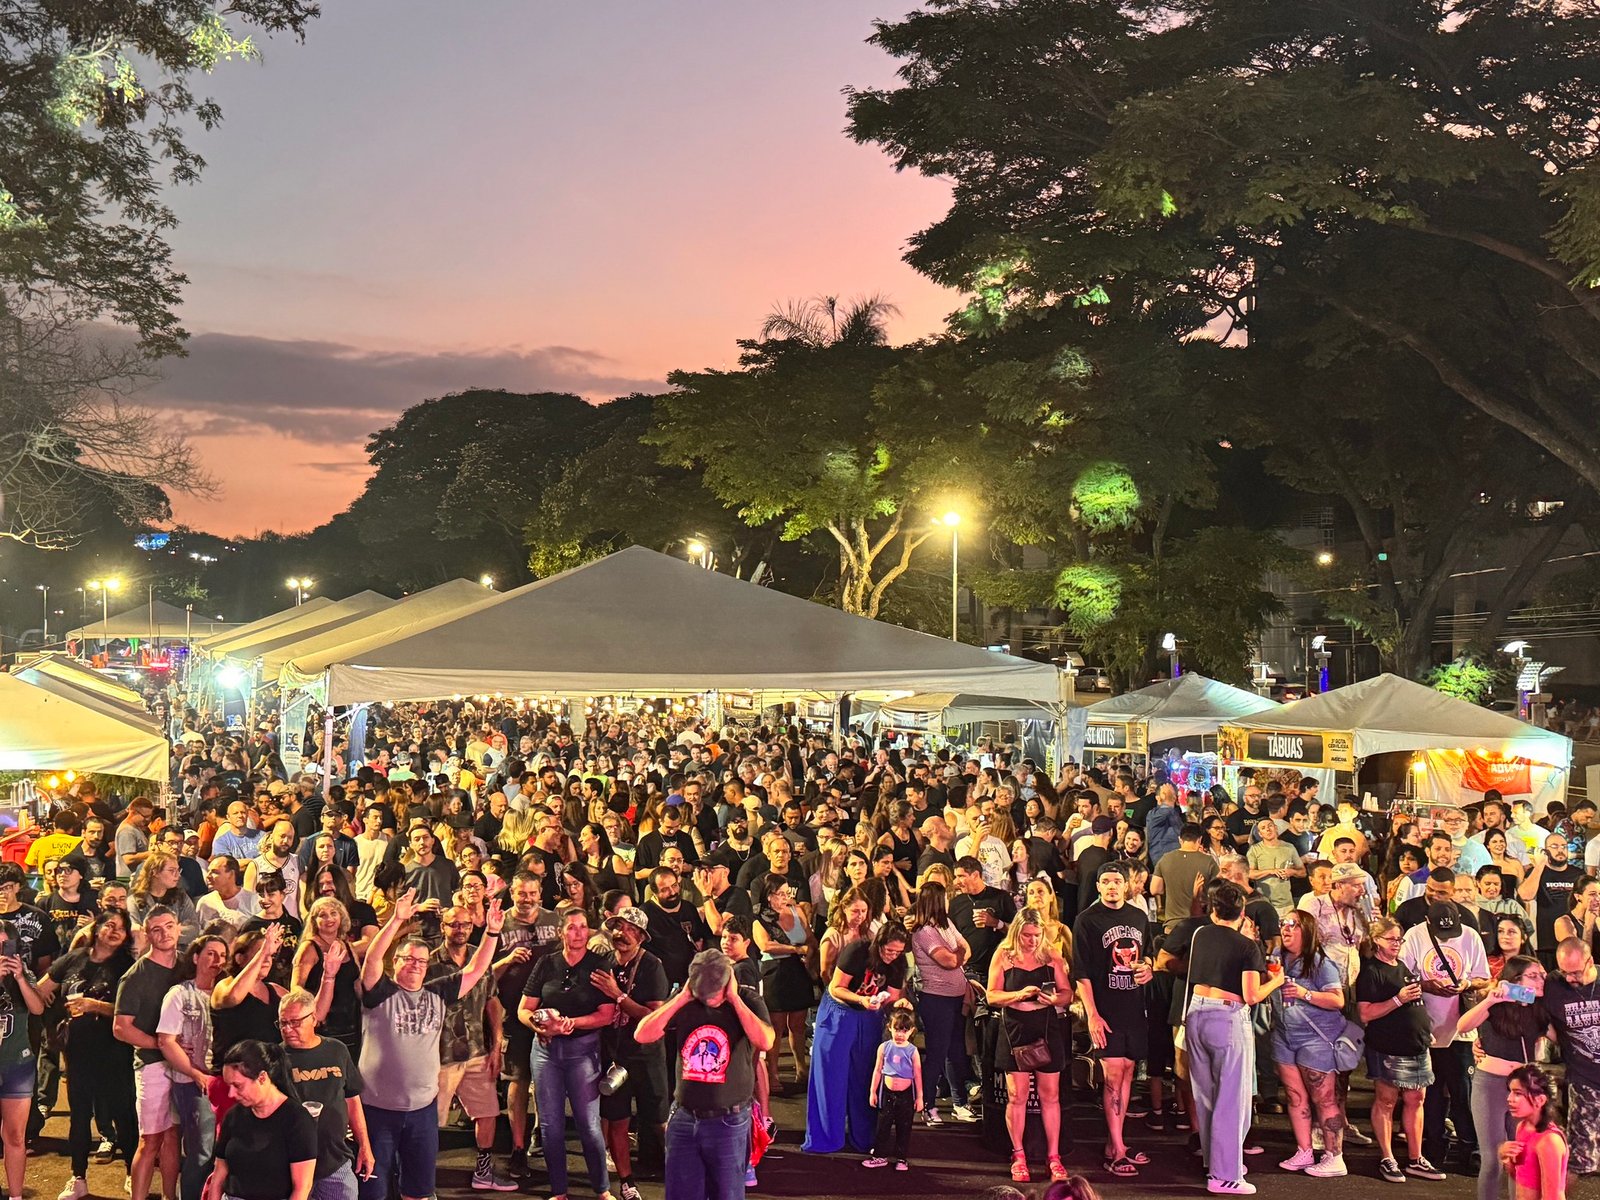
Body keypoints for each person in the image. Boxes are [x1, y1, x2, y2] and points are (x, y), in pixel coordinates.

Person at [357, 889, 502, 1200]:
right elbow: (371, 959)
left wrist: (491, 932)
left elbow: (476, 970)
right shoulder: (379, 992)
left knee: (419, 1191)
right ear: (394, 961)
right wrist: (397, 919)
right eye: (408, 959)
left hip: (422, 1111)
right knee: (373, 1192)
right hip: (378, 1111)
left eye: (421, 960)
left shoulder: (438, 992)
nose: (415, 965)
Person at [634, 948, 775, 1200]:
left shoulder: (747, 999)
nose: (710, 999)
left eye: (715, 993)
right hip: (684, 1117)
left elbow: (766, 1041)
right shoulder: (686, 999)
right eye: (704, 994)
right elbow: (642, 1034)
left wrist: (734, 999)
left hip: (728, 1122)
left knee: (726, 1195)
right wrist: (682, 997)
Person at [1183, 879, 1282, 1197]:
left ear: (1213, 909)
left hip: (1196, 1013)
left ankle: (1218, 1164)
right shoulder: (1246, 947)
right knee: (1232, 1100)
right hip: (1227, 1018)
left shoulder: (1201, 933)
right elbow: (1252, 996)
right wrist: (1277, 982)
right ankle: (1225, 1175)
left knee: (1207, 1096)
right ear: (1242, 912)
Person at [516, 906, 616, 1200]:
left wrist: (572, 1024)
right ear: (561, 932)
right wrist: (539, 1025)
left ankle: (602, 1189)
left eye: (583, 927)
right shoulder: (546, 962)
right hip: (546, 1051)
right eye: (572, 927)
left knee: (588, 1124)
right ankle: (559, 1191)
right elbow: (524, 1009)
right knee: (550, 1125)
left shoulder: (599, 965)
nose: (578, 933)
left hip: (583, 1051)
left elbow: (606, 1015)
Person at [44, 909, 137, 1200]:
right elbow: (42, 989)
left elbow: (130, 1012)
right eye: (109, 924)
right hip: (78, 1052)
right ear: (97, 928)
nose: (114, 931)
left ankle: (133, 1173)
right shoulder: (74, 958)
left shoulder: (127, 965)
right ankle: (78, 1177)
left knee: (123, 1116)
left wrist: (94, 1005)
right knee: (79, 1116)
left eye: (121, 929)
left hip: (114, 1052)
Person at [1071, 862, 1151, 1177]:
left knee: (1128, 1072)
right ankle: (1117, 1150)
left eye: (1117, 881)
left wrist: (1147, 968)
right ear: (1099, 887)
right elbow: (1082, 973)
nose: (1112, 886)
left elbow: (1148, 956)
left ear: (1126, 885)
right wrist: (1092, 1014)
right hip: (1105, 1010)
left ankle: (1115, 1142)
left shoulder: (1139, 916)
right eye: (1106, 881)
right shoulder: (1086, 921)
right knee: (1113, 1076)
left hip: (1134, 1008)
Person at [428, 904, 515, 1192]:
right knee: (429, 1121)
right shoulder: (429, 963)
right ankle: (423, 1180)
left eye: (465, 924)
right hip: (441, 1055)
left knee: (487, 1113)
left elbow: (492, 1000)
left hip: (477, 1049)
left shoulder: (482, 956)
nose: (460, 929)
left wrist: (496, 1045)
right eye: (454, 924)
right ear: (443, 927)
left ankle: (484, 1172)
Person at [802, 922, 909, 1156]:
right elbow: (836, 987)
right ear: (878, 943)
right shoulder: (858, 950)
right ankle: (827, 1137)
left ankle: (863, 1137)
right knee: (832, 1076)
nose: (892, 956)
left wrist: (897, 1003)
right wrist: (861, 1000)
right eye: (889, 950)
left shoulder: (898, 962)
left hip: (869, 1017)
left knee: (865, 1075)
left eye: (898, 952)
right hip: (839, 1011)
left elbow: (891, 997)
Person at [1401, 900, 1491, 1172]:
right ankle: (1435, 1145)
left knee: (1464, 1092)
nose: (1448, 938)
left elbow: (1483, 978)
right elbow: (1401, 976)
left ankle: (1471, 1147)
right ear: (1427, 922)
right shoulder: (1414, 936)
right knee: (1431, 1094)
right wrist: (1426, 984)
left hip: (1461, 1028)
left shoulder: (1470, 936)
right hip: (1425, 1027)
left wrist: (1466, 983)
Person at [1355, 915, 1443, 1184]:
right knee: (1387, 1101)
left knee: (1417, 1099)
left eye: (1399, 939)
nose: (1397, 943)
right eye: (1391, 939)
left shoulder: (1402, 965)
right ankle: (1387, 1157)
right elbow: (1366, 1013)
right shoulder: (1372, 972)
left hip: (1417, 1045)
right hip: (1388, 1048)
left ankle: (1415, 1158)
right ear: (1376, 941)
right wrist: (1398, 998)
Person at [591, 906, 669, 1200]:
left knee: (659, 1120)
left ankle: (682, 1171)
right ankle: (627, 1183)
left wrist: (618, 996)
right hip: (614, 1055)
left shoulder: (651, 966)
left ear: (641, 937)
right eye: (618, 927)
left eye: (630, 930)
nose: (622, 934)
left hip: (646, 1055)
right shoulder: (604, 961)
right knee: (617, 1120)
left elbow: (654, 1018)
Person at [989, 908, 1072, 1183]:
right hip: (1014, 1030)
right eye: (1027, 935)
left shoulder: (1052, 955)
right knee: (1017, 1096)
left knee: (1051, 1096)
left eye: (1037, 935)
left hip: (1046, 1028)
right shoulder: (1003, 954)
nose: (1032, 940)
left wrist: (1054, 1000)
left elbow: (1067, 993)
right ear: (1017, 932)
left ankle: (1053, 1156)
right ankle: (1019, 1153)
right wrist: (1017, 995)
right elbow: (991, 995)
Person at [1459, 956, 1550, 1200]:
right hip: (1490, 1084)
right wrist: (1489, 1000)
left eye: (1542, 975)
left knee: (1520, 1157)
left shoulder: (1539, 1009)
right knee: (1492, 1159)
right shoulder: (1496, 1005)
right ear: (1515, 979)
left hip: (1523, 1089)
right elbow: (1463, 1026)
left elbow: (1560, 1035)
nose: (1541, 980)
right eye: (1533, 976)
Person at [1271, 911, 1353, 1178]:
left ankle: (1334, 1156)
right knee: (1295, 1097)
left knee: (1324, 1098)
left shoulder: (1318, 962)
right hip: (1284, 1036)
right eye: (1283, 924)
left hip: (1316, 1038)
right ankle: (1304, 1150)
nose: (1286, 929)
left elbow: (1337, 1000)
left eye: (1292, 924)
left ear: (1306, 930)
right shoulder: (1276, 959)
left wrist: (1304, 993)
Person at [279, 986, 375, 1200]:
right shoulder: (276, 1059)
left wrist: (365, 1147)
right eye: (283, 1023)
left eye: (295, 1022)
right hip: (293, 1166)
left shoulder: (337, 1050)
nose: (288, 1029)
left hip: (335, 1160)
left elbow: (352, 1100)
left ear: (313, 1018)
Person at [115, 905, 183, 1200]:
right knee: (150, 1140)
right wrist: (162, 1045)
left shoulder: (188, 965)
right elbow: (121, 1028)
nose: (164, 933)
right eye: (157, 929)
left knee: (174, 1138)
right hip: (152, 1064)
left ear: (179, 927)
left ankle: (170, 1197)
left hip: (185, 1065)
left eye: (169, 926)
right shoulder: (135, 975)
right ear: (147, 934)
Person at [157, 933, 229, 1200]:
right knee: (201, 1152)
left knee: (220, 1152)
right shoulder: (180, 994)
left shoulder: (229, 992)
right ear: (196, 957)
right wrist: (195, 1073)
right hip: (194, 1084)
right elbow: (165, 1041)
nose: (217, 961)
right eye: (211, 953)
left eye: (222, 955)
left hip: (226, 1083)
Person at [202, 1039, 317, 1200]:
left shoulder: (297, 1120)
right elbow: (219, 1175)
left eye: (238, 1086)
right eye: (229, 1086)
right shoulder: (234, 1116)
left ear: (262, 1078)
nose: (231, 1094)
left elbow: (302, 1188)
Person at [906, 880, 975, 1124]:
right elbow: (948, 960)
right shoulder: (924, 932)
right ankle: (927, 1105)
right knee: (936, 1052)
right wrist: (958, 956)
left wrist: (958, 956)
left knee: (956, 1050)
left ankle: (960, 1102)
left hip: (956, 997)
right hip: (936, 1000)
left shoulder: (947, 924)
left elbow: (968, 948)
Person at [750, 878, 813, 1096]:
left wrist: (812, 959)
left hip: (798, 971)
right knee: (776, 1027)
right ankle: (773, 1073)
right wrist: (796, 950)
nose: (786, 898)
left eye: (788, 893)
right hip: (775, 972)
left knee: (798, 1024)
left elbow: (810, 938)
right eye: (781, 894)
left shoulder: (796, 912)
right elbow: (765, 945)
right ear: (769, 896)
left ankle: (801, 1067)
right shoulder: (760, 920)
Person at [1543, 937, 1600, 1177]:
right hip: (1584, 1082)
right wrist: (1485, 1039)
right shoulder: (1554, 985)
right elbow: (1508, 997)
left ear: (1591, 962)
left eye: (1575, 972)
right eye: (1564, 972)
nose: (1570, 979)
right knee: (1578, 1162)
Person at [864, 1006, 923, 1170]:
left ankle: (902, 1158)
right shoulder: (884, 1047)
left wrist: (920, 1097)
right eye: (897, 1029)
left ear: (911, 1031)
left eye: (904, 1030)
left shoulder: (913, 1051)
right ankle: (879, 1156)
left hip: (906, 1095)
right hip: (887, 1093)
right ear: (889, 1027)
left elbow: (917, 1075)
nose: (900, 1034)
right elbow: (877, 1070)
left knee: (904, 1127)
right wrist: (872, 1092)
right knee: (883, 1125)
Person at [1501, 1064, 1568, 1200]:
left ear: (1540, 1100)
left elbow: (1552, 1197)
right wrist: (1507, 1158)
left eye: (1518, 1093)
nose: (1510, 1098)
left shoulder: (1549, 1141)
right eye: (1510, 1092)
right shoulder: (1523, 1127)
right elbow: (1523, 1178)